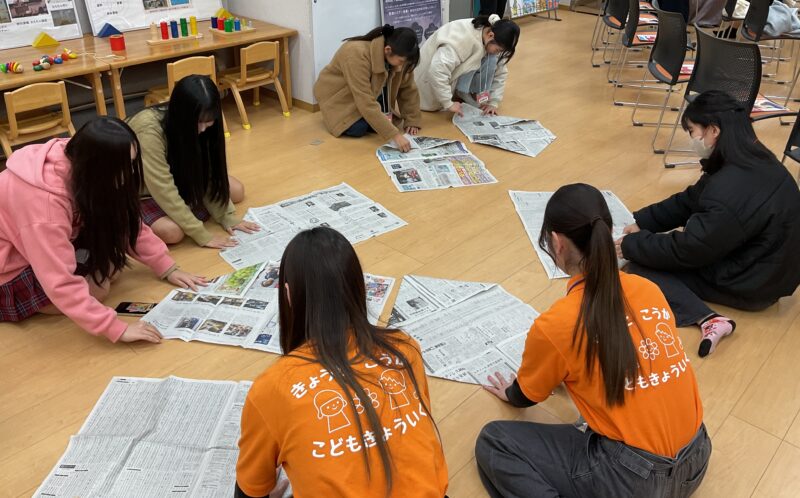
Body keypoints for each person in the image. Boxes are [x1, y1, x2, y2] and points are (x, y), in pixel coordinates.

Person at [477, 184, 710, 498]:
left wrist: (511, 392)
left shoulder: (556, 324)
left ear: (557, 243)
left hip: (636, 483)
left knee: (495, 440)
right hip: (697, 457)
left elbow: (526, 395)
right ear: (608, 232)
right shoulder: (648, 290)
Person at [236, 227, 448, 498]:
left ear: (288, 294)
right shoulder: (404, 348)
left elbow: (252, 488)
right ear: (361, 287)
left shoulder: (273, 387)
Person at [618, 90, 800, 357]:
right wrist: (642, 221)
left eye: (692, 131)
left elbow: (690, 250)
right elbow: (690, 200)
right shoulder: (751, 158)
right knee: (651, 249)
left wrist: (632, 244)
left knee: (637, 268)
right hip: (770, 271)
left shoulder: (728, 186)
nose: (693, 139)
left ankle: (706, 317)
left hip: (753, 285)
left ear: (713, 130)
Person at [0, 117, 206, 343]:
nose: (129, 173)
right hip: (9, 268)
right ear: (98, 167)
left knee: (109, 270)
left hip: (42, 243)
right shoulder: (44, 206)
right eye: (122, 167)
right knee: (99, 288)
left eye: (131, 163)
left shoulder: (83, 159)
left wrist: (166, 267)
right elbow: (59, 280)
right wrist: (115, 328)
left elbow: (125, 220)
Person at [127, 75, 259, 249]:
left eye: (208, 122)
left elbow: (207, 169)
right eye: (198, 123)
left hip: (176, 178)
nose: (203, 129)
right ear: (182, 115)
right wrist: (201, 234)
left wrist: (227, 217)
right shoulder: (148, 131)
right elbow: (162, 186)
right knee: (172, 232)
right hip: (138, 190)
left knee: (236, 191)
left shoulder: (198, 126)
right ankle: (127, 219)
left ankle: (188, 213)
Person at [314, 25, 422, 153]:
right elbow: (365, 100)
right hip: (338, 97)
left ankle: (372, 119)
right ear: (387, 50)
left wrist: (412, 119)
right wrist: (395, 135)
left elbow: (408, 89)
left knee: (385, 121)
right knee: (358, 128)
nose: (401, 67)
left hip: (370, 94)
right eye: (401, 61)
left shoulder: (400, 57)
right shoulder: (355, 54)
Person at [415, 14, 520, 116]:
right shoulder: (462, 39)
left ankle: (464, 93)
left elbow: (500, 72)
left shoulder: (493, 35)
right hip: (425, 84)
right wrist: (448, 103)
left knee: (492, 60)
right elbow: (437, 71)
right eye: (497, 50)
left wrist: (493, 102)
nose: (497, 53)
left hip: (448, 78)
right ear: (490, 35)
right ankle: (459, 93)